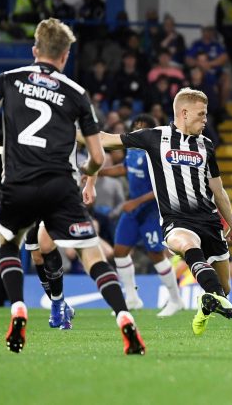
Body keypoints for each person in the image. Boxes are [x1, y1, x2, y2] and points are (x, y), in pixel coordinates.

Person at [0, 18, 145, 354]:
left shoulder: (7, 79)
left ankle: (19, 307)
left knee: (8, 242)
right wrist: (88, 175)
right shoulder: (76, 93)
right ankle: (123, 316)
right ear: (65, 57)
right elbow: (96, 154)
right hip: (61, 186)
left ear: (35, 50)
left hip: (17, 184)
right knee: (92, 257)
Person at [84, 87, 232, 336]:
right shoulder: (154, 137)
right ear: (184, 113)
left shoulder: (207, 145)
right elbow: (105, 139)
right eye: (201, 114)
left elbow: (218, 190)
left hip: (210, 221)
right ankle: (209, 294)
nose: (205, 120)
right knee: (186, 244)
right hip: (176, 220)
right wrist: (63, 131)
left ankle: (209, 301)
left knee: (224, 289)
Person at [96, 114, 182, 317]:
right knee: (119, 251)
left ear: (151, 132)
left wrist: (135, 201)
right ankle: (132, 298)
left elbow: (161, 188)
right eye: (135, 127)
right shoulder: (132, 151)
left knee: (156, 255)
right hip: (133, 211)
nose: (137, 130)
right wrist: (99, 172)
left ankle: (176, 300)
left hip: (151, 211)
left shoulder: (156, 153)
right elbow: (125, 169)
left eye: (142, 128)